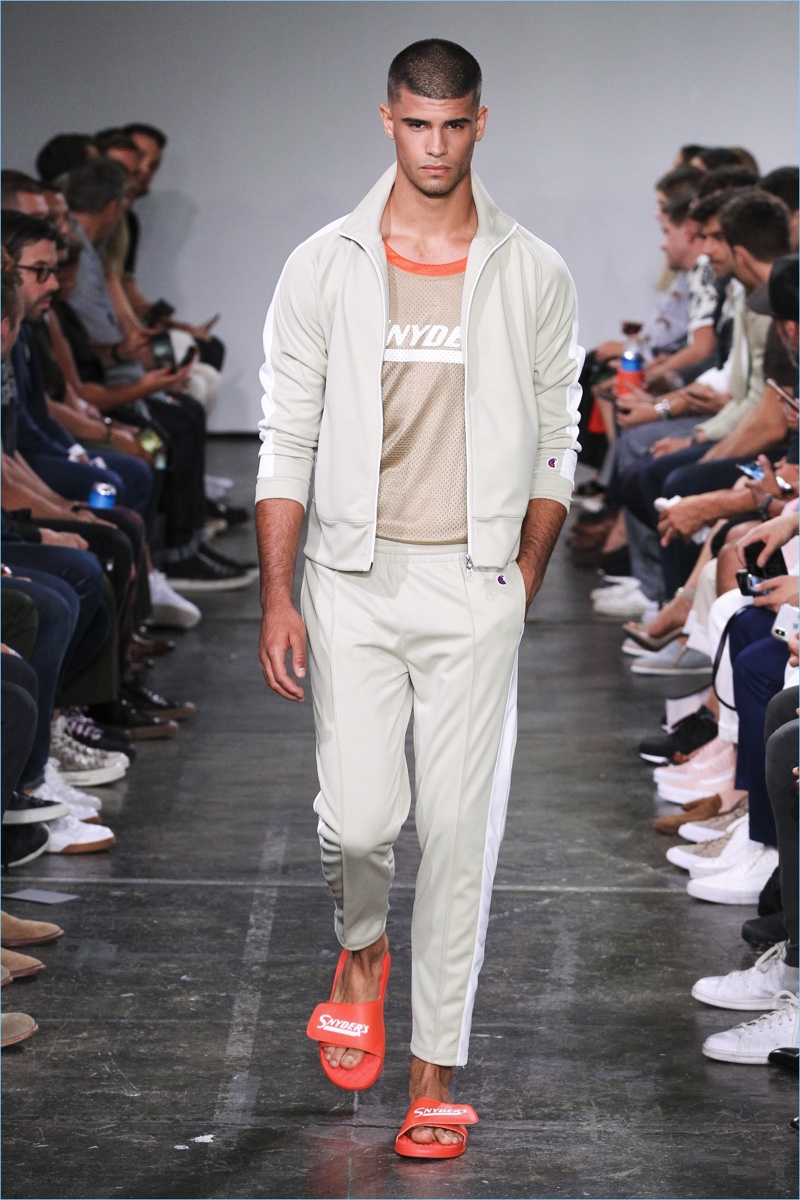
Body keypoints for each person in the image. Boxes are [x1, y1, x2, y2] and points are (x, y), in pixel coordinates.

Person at [255, 39, 582, 1158]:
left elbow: (558, 435)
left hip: (474, 582)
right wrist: (277, 596)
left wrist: (522, 579)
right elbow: (285, 438)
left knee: (453, 838)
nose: (434, 147)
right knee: (358, 824)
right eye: (415, 124)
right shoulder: (324, 264)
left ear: (479, 124)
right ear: (386, 121)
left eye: (452, 126)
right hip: (351, 581)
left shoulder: (531, 269)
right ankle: (361, 948)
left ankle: (433, 1070)